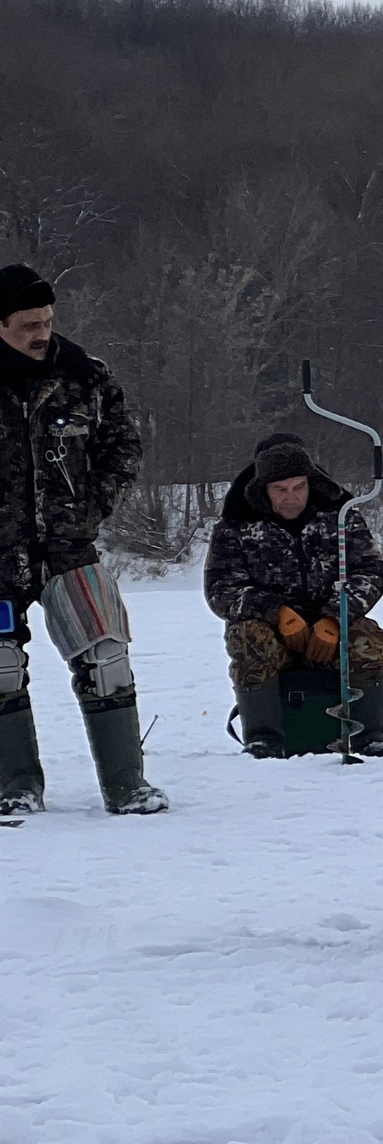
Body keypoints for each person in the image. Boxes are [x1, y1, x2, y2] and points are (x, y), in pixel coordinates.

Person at [0, 266, 161, 816]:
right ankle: (16, 787)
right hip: (0, 555)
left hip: (71, 547)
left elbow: (123, 447)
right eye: (27, 325)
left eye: (47, 320)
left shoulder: (85, 377)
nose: (42, 332)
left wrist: (94, 505)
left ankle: (127, 786)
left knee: (107, 657)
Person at [204, 432, 383, 757]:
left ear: (310, 482)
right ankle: (263, 741)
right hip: (272, 634)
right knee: (247, 636)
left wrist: (335, 617)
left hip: (330, 631)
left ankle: (368, 739)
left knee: (370, 638)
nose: (290, 497)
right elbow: (221, 589)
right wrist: (276, 613)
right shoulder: (235, 526)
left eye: (298, 487)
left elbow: (369, 571)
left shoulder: (341, 515)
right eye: (279, 490)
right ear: (262, 489)